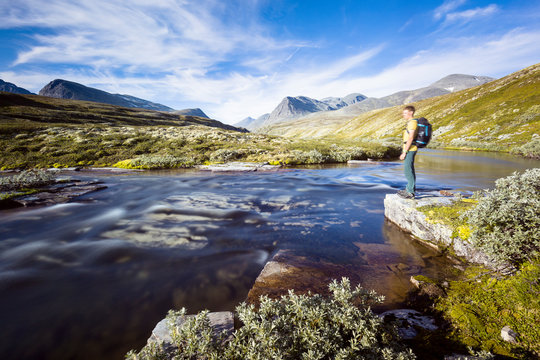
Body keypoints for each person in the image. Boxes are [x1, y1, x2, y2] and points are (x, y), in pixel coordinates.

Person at [397, 105, 418, 199]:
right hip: (409, 148)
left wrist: (405, 152)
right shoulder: (411, 122)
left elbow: (411, 138)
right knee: (409, 170)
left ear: (411, 113)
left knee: (408, 170)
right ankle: (409, 189)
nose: (403, 115)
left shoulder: (412, 123)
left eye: (405, 113)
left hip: (410, 149)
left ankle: (410, 192)